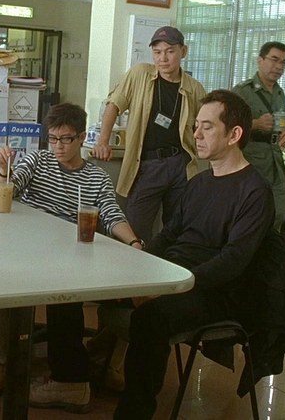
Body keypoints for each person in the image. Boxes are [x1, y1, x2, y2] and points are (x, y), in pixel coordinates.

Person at [114, 90, 275, 419]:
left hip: (215, 290)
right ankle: (76, 377)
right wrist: (137, 265)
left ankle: (133, 413)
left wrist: (171, 286)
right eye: (195, 126)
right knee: (97, 291)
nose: (196, 135)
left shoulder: (255, 192)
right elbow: (169, 234)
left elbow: (232, 262)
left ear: (234, 135)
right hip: (176, 275)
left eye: (207, 127)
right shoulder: (199, 182)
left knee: (149, 318)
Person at [0, 103, 144, 413]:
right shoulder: (38, 160)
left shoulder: (96, 177)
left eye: (65, 139)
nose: (58, 146)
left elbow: (111, 213)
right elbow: (10, 189)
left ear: (81, 137)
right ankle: (1, 362)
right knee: (9, 284)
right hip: (26, 248)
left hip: (70, 254)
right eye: (52, 139)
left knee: (98, 291)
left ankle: (90, 366)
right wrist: (2, 170)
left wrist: (133, 242)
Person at [92, 26, 206, 242]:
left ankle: (172, 263)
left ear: (183, 51)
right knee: (135, 226)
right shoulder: (140, 74)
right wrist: (103, 141)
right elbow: (114, 105)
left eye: (170, 51)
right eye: (157, 52)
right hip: (148, 164)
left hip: (181, 164)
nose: (163, 58)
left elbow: (207, 123)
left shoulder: (194, 88)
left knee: (178, 226)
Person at [232, 41, 285, 231]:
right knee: (251, 215)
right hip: (252, 159)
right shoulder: (243, 91)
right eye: (274, 59)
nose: (278, 66)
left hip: (275, 160)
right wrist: (255, 124)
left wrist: (284, 131)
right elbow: (226, 126)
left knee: (278, 214)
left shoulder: (280, 93)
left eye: (283, 62)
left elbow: (280, 123)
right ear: (260, 60)